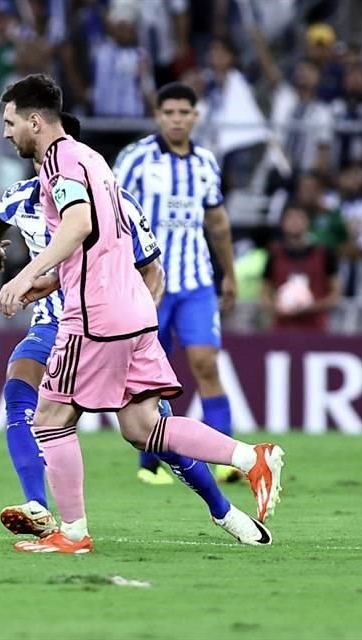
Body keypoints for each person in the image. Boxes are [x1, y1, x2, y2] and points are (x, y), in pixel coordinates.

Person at [0, 74, 284, 554]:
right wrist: (43, 285)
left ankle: (72, 534)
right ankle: (250, 457)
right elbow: (100, 245)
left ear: (34, 120)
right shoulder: (97, 163)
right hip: (133, 305)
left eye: (9, 122)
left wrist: (26, 275)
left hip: (94, 314)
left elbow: (78, 225)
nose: (6, 132)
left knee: (50, 418)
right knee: (142, 426)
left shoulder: (60, 162)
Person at [113, 82, 240, 484]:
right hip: (147, 286)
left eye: (184, 112)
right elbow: (110, 214)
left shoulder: (205, 163)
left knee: (206, 363)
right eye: (169, 112)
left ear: (195, 116)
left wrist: (230, 274)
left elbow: (217, 223)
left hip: (197, 282)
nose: (177, 119)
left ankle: (223, 457)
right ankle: (150, 464)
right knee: (150, 377)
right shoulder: (135, 159)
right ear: (158, 115)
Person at [261, 205, 341, 332]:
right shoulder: (274, 254)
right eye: (290, 217)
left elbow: (336, 295)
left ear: (308, 222)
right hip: (282, 329)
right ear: (282, 223)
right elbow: (264, 292)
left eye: (299, 218)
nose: (295, 221)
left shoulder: (324, 253)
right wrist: (277, 308)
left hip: (315, 329)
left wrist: (311, 307)